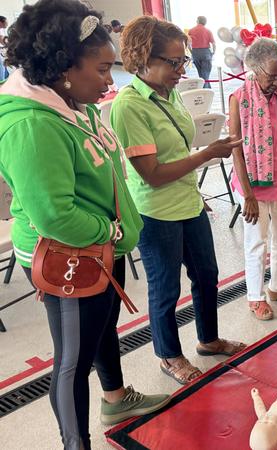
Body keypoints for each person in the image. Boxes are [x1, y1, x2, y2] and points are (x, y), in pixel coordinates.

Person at [0, 1, 170, 447]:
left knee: (100, 331)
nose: (109, 81)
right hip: (66, 256)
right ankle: (76, 442)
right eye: (101, 69)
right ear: (63, 68)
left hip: (97, 248)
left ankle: (115, 397)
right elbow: (54, 216)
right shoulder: (33, 126)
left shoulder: (74, 104)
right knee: (72, 360)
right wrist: (111, 234)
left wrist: (112, 237)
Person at [113, 15, 246, 385]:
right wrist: (208, 154)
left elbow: (177, 151)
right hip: (156, 213)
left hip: (187, 202)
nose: (181, 69)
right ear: (143, 59)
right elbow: (153, 174)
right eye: (173, 62)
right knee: (165, 287)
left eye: (183, 60)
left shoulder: (170, 94)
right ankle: (169, 356)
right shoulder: (130, 105)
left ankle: (208, 339)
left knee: (207, 275)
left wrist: (194, 188)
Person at [228, 38, 277, 321]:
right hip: (255, 185)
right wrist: (247, 194)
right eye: (272, 75)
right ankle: (255, 296)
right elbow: (236, 148)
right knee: (257, 242)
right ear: (254, 69)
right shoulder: (240, 97)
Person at [188, 16, 216, 88]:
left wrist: (191, 51)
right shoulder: (208, 31)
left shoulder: (191, 31)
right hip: (205, 52)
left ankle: (206, 88)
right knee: (205, 74)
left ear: (197, 21)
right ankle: (205, 90)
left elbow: (188, 43)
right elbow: (213, 43)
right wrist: (213, 52)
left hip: (195, 53)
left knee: (201, 74)